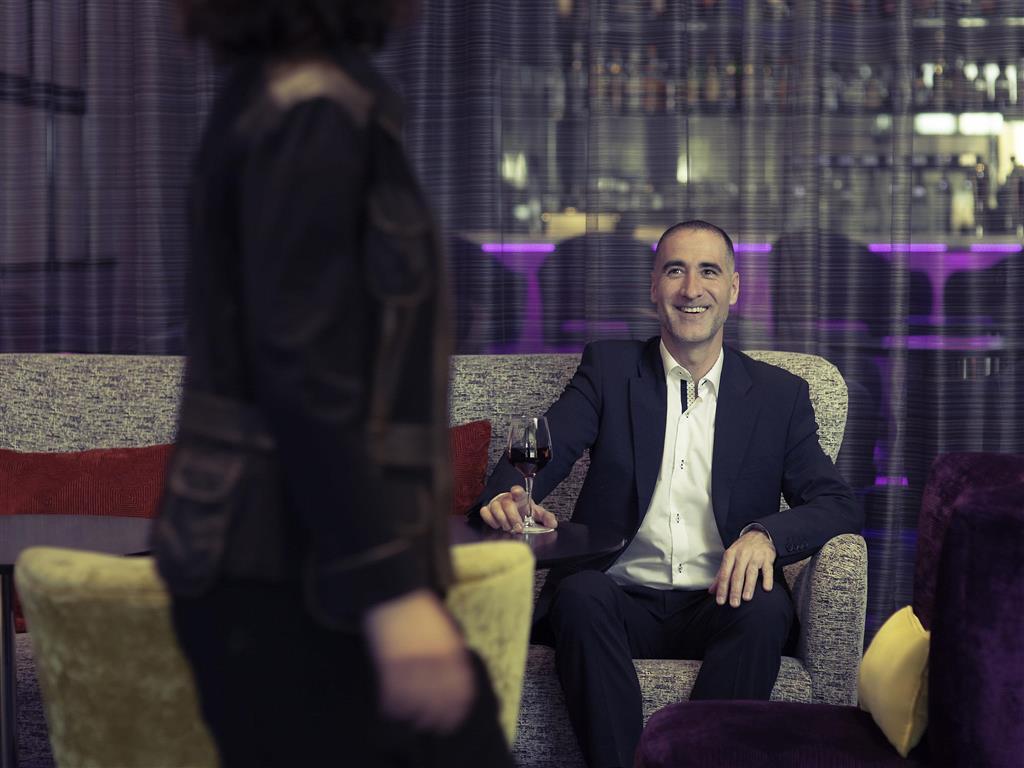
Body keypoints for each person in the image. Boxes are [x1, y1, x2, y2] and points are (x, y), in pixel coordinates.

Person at [150, 2, 514, 766]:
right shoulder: (310, 112)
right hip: (293, 573)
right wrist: (391, 592)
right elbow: (305, 377)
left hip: (279, 565)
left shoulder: (278, 96)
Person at [475, 220, 863, 768]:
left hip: (720, 601)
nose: (691, 289)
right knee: (579, 595)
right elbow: (541, 455)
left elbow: (837, 503)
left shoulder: (780, 396)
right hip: (616, 599)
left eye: (709, 272)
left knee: (764, 608)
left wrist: (766, 536)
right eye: (675, 270)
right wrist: (511, 497)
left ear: (733, 288)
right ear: (653, 287)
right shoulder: (609, 370)